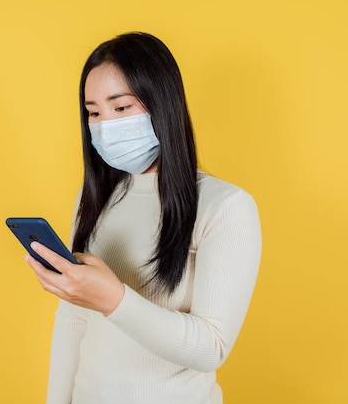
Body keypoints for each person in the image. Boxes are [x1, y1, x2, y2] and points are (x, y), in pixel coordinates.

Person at [24, 32, 262, 404]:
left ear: (162, 104)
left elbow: (211, 347)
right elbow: (73, 322)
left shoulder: (225, 206)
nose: (105, 125)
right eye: (94, 112)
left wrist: (115, 299)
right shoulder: (95, 199)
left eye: (121, 108)